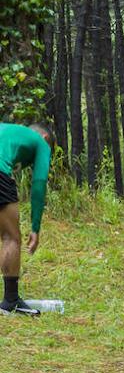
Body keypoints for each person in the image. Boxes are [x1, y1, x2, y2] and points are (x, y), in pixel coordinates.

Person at [0, 122, 52, 317]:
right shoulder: (42, 143)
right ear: (45, 137)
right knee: (10, 237)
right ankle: (11, 301)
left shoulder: (7, 129)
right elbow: (39, 185)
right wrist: (35, 228)